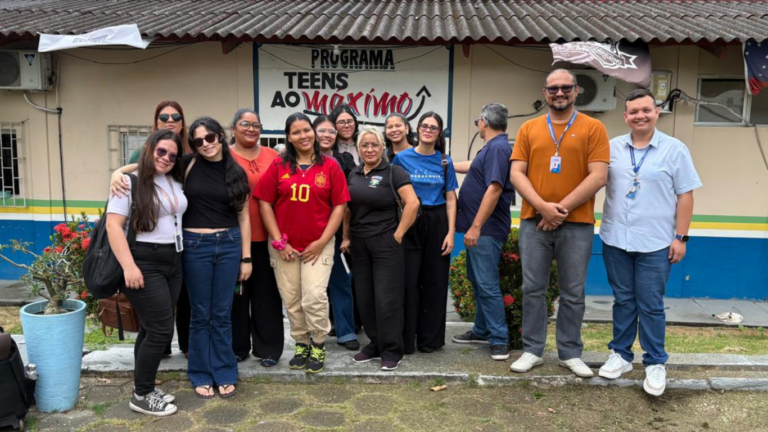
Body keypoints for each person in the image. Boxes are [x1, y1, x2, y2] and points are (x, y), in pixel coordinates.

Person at [597, 88, 701, 396]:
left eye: (646, 110)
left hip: (656, 242)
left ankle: (655, 362)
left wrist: (680, 237)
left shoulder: (675, 149)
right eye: (633, 111)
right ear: (625, 116)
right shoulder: (612, 147)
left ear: (656, 112)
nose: (640, 115)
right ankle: (621, 354)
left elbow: (686, 195)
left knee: (651, 304)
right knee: (623, 300)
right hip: (615, 238)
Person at [509, 69, 609, 378]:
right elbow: (516, 174)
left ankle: (569, 352)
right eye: (553, 88)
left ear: (577, 91)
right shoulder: (529, 128)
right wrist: (542, 208)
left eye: (566, 87)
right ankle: (533, 350)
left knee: (573, 292)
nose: (559, 92)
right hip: (533, 222)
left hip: (576, 223)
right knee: (533, 288)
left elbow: (599, 176)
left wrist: (559, 210)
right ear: (545, 92)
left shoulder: (594, 128)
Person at [256, 113, 350, 374]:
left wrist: (321, 242)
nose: (303, 136)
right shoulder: (278, 166)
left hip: (317, 246)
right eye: (296, 132)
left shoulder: (330, 166)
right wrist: (279, 242)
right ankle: (301, 343)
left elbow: (340, 205)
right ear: (288, 137)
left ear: (314, 132)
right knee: (292, 299)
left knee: (313, 296)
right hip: (284, 247)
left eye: (306, 130)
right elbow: (264, 202)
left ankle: (318, 342)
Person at [106, 129, 187, 416]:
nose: (166, 158)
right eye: (161, 151)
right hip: (144, 260)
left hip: (174, 259)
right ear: (150, 149)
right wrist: (129, 266)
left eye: (172, 155)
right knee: (162, 330)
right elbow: (114, 226)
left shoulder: (174, 179)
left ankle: (145, 385)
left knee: (152, 327)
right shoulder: (129, 183)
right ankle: (141, 395)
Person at [341, 126, 420, 370]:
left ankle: (392, 349)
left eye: (374, 144)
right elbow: (347, 209)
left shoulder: (393, 172)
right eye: (364, 145)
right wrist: (345, 237)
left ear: (382, 147)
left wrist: (397, 236)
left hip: (386, 243)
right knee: (365, 299)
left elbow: (413, 204)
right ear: (359, 148)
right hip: (359, 244)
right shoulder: (353, 173)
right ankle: (374, 344)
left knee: (387, 300)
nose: (369, 149)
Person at [126, 100, 190, 359]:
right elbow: (135, 172)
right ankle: (153, 359)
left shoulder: (188, 153)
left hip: (180, 245)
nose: (170, 120)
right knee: (157, 321)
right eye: (164, 117)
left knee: (181, 302)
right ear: (156, 122)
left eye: (176, 116)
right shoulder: (144, 153)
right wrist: (117, 174)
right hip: (147, 250)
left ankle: (184, 346)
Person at [451, 103, 515, 361]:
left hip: (485, 230)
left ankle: (499, 339)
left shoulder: (499, 148)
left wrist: (476, 227)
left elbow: (495, 188)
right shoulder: (491, 148)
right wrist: (446, 163)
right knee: (478, 282)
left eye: (479, 120)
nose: (478, 123)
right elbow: (473, 166)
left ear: (485, 121)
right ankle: (481, 330)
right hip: (478, 229)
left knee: (487, 285)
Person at [392, 111, 459, 354]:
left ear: (439, 133)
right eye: (424, 126)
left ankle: (430, 340)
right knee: (409, 282)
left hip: (438, 220)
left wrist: (451, 232)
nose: (428, 130)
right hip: (411, 221)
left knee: (435, 282)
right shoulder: (401, 158)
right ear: (417, 130)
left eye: (433, 127)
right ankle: (407, 339)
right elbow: (394, 194)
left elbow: (451, 198)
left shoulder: (445, 161)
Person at [228, 109, 285, 367]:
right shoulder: (223, 155)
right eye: (245, 124)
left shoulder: (273, 156)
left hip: (267, 236)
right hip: (233, 238)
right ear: (233, 128)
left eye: (256, 125)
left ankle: (268, 348)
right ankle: (238, 347)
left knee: (267, 295)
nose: (251, 129)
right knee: (237, 296)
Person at [314, 115, 359, 351]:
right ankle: (313, 332)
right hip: (307, 233)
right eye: (321, 130)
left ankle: (346, 331)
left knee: (340, 282)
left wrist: (347, 234)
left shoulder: (344, 160)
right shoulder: (297, 161)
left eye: (331, 131)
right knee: (310, 287)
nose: (327, 135)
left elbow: (349, 200)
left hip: (337, 232)